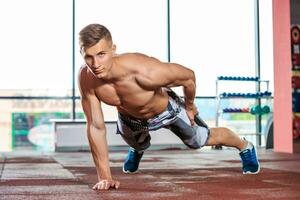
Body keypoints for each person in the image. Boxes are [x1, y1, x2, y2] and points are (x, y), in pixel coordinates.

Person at [78, 24, 260, 191]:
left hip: (167, 111)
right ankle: (138, 147)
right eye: (89, 56)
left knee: (199, 141)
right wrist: (105, 177)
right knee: (135, 142)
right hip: (130, 118)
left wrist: (189, 105)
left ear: (113, 50)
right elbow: (95, 126)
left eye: (101, 54)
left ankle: (245, 146)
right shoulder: (87, 78)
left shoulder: (145, 71)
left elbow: (189, 77)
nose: (95, 64)